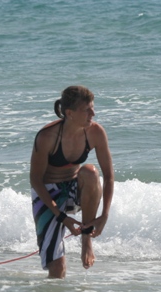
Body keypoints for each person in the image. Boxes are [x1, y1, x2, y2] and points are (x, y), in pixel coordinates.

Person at [30, 86, 114, 279]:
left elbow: (108, 177)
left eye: (92, 108)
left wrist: (104, 216)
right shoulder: (47, 136)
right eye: (87, 110)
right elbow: (35, 180)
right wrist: (62, 218)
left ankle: (86, 240)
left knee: (90, 172)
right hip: (47, 194)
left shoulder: (95, 132)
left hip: (76, 189)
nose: (93, 113)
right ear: (69, 113)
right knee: (57, 270)